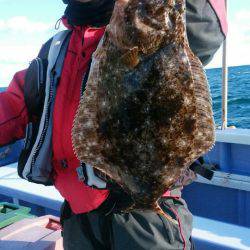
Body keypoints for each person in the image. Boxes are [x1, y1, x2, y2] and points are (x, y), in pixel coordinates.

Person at [0, 0, 227, 249]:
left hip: (147, 222)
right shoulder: (55, 50)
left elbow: (206, 26)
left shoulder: (156, 26)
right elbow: (12, 107)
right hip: (78, 220)